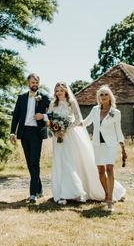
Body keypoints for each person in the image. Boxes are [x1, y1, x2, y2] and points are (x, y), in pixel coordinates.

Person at [47, 82, 125, 209]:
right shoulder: (53, 104)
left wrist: (66, 128)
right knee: (61, 163)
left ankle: (104, 196)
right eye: (57, 90)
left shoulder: (72, 103)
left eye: (61, 90)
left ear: (66, 91)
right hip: (58, 138)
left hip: (73, 136)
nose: (59, 92)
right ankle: (62, 193)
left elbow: (78, 119)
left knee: (72, 163)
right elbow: (50, 119)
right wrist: (55, 131)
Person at [81, 84, 128, 212]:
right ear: (99, 97)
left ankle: (110, 200)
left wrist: (123, 146)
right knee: (101, 171)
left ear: (110, 96)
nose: (103, 96)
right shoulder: (95, 110)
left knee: (109, 168)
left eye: (106, 94)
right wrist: (73, 122)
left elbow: (118, 130)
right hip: (97, 144)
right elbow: (86, 122)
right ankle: (107, 194)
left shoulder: (115, 112)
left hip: (110, 144)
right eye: (101, 94)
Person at [10, 73, 51, 203]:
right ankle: (39, 190)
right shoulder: (21, 97)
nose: (34, 84)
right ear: (28, 83)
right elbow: (16, 115)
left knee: (35, 162)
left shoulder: (44, 97)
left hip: (36, 132)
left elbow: (52, 112)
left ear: (39, 83)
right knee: (29, 163)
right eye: (32, 82)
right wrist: (12, 132)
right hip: (23, 132)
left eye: (36, 82)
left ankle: (32, 194)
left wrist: (43, 116)